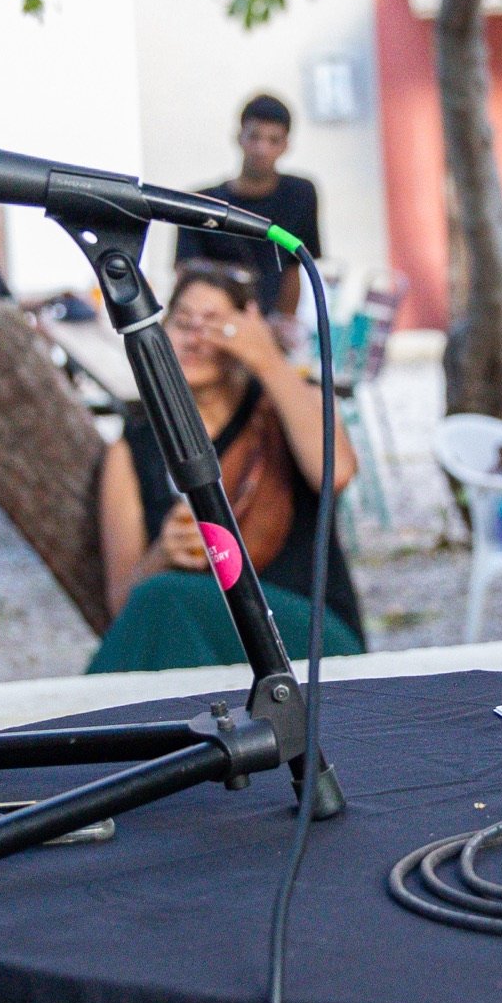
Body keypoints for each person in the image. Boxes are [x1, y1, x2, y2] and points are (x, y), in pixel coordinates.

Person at [92, 260, 362, 669]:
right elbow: (123, 608)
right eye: (183, 323)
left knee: (166, 596)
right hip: (195, 646)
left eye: (216, 324)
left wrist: (269, 359)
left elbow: (336, 473)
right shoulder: (133, 448)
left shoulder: (284, 407)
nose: (195, 338)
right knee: (163, 596)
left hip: (309, 635)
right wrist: (162, 555)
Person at [173, 93, 321, 322]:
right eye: (254, 137)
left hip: (271, 327)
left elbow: (294, 267)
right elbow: (186, 277)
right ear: (239, 137)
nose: (262, 149)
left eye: (273, 140)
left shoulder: (300, 194)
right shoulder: (202, 203)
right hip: (211, 325)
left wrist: (282, 324)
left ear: (286, 145)